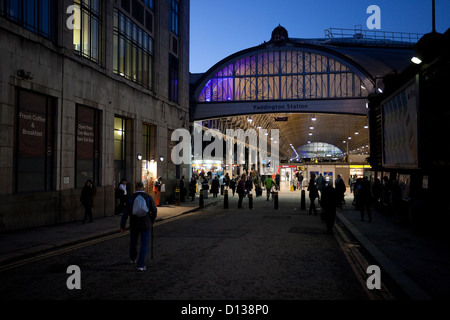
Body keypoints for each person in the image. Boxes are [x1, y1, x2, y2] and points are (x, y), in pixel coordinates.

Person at [120, 182, 157, 272]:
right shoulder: (148, 197)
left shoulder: (131, 198)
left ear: (135, 188)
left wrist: (122, 226)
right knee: (144, 244)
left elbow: (125, 213)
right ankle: (141, 265)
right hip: (145, 223)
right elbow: (154, 210)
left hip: (134, 223)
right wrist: (151, 220)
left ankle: (132, 258)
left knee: (133, 242)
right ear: (143, 188)